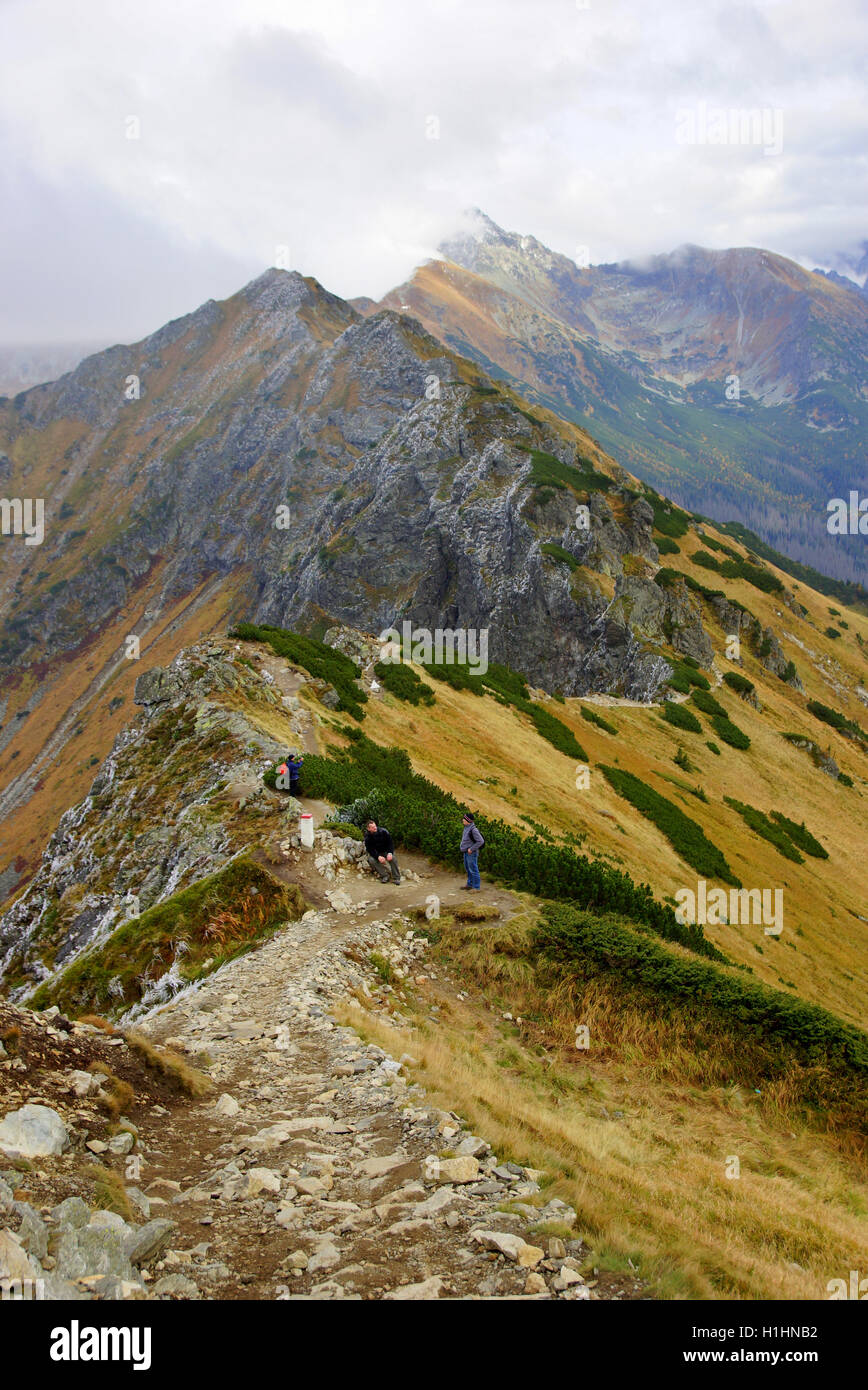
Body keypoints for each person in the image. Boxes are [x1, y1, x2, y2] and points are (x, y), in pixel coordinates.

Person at [364, 820, 401, 884]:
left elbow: (390, 843)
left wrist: (390, 853)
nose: (375, 828)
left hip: (386, 851)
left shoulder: (384, 831)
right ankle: (385, 876)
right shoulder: (367, 837)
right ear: (368, 829)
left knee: (393, 859)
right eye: (372, 827)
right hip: (377, 853)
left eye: (375, 826)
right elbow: (370, 849)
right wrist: (378, 857)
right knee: (371, 860)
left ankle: (396, 877)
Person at [460, 811, 484, 890]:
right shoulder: (466, 827)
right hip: (466, 852)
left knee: (473, 869)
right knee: (468, 869)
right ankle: (469, 885)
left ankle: (476, 888)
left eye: (464, 819)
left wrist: (471, 849)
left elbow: (481, 841)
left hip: (471, 853)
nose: (462, 820)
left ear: (468, 820)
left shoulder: (473, 830)